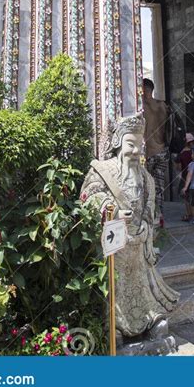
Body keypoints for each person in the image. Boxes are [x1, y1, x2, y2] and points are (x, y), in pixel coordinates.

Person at [80, 112, 179, 343]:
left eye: (139, 146)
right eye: (130, 145)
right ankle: (114, 325)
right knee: (115, 285)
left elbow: (149, 204)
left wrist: (145, 223)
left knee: (140, 285)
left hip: (137, 247)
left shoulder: (145, 177)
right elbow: (89, 196)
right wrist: (111, 210)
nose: (135, 151)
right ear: (118, 144)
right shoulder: (102, 171)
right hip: (114, 244)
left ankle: (149, 319)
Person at [142, 78, 169, 226]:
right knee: (159, 187)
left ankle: (149, 216)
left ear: (145, 90)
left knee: (146, 186)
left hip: (149, 152)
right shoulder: (163, 105)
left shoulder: (143, 107)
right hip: (163, 151)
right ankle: (160, 216)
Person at [176, 133, 194, 221]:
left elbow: (179, 167)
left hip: (185, 176)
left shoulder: (181, 154)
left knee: (186, 197)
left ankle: (189, 214)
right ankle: (193, 215)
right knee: (193, 197)